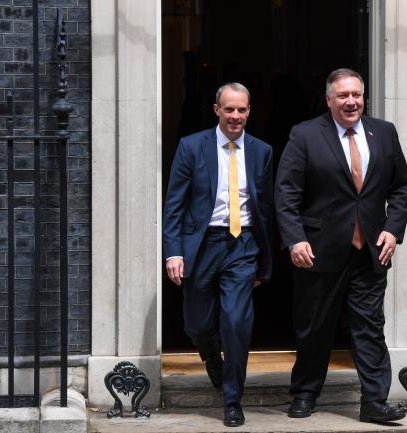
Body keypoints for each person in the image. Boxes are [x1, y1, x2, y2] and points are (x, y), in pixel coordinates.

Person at [275, 68, 407, 423]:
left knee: (369, 328)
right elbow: (286, 194)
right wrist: (295, 239)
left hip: (369, 251)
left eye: (356, 95)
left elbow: (401, 187)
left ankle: (374, 402)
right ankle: (305, 393)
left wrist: (392, 229)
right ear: (329, 100)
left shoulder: (383, 133)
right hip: (318, 252)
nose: (351, 101)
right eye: (343, 96)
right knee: (314, 328)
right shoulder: (305, 135)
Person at [163, 83, 273, 427]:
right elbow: (174, 205)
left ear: (249, 111)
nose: (236, 116)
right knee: (197, 323)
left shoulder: (262, 151)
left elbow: (266, 206)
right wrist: (173, 252)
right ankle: (211, 357)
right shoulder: (191, 147)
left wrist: (264, 258)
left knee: (237, 322)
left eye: (241, 110)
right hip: (203, 244)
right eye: (229, 110)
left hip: (243, 245)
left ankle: (232, 399)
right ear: (217, 111)